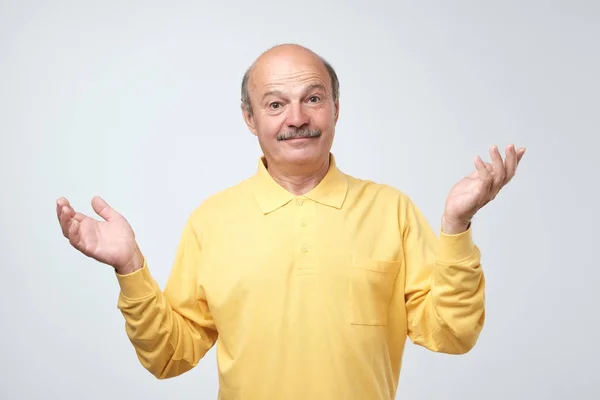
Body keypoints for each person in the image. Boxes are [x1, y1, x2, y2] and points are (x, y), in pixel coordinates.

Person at [56, 43, 525, 399]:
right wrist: (130, 267)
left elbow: (452, 333)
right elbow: (169, 356)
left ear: (336, 109)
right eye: (276, 104)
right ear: (250, 117)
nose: (296, 118)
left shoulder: (391, 211)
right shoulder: (211, 221)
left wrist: (456, 228)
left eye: (313, 98)